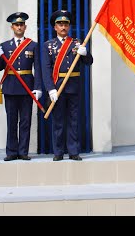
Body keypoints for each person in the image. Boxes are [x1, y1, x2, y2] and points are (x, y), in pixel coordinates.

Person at [41, 10, 93, 161]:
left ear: (69, 26)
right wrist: (51, 89)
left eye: (65, 24)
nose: (63, 27)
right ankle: (58, 152)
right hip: (57, 87)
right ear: (55, 27)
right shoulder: (48, 46)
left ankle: (73, 151)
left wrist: (85, 54)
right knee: (58, 120)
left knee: (73, 120)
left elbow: (89, 62)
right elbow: (46, 69)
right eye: (60, 24)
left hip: (73, 87)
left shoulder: (77, 43)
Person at [0, 12, 42, 161]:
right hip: (10, 87)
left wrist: (38, 87)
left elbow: (38, 68)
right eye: (16, 25)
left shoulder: (33, 45)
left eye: (21, 24)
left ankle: (23, 151)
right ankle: (11, 151)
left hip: (27, 87)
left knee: (26, 121)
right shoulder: (4, 46)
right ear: (12, 27)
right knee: (12, 121)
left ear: (25, 27)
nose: (19, 27)